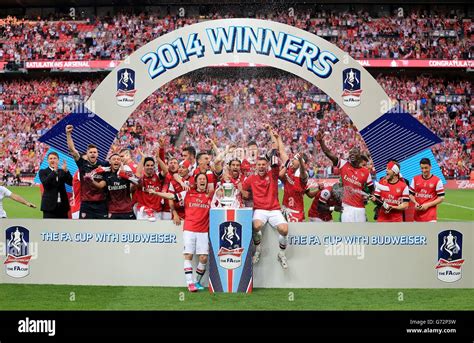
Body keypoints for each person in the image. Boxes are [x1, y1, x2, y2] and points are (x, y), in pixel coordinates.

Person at [150, 173, 214, 292]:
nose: (202, 181)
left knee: (204, 258)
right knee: (188, 255)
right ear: (196, 182)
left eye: (204, 179)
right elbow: (171, 196)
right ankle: (190, 284)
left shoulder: (210, 196)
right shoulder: (187, 193)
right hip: (189, 229)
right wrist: (156, 193)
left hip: (204, 230)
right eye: (200, 179)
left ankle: (196, 282)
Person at [241, 126, 289, 269]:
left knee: (284, 230)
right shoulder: (251, 179)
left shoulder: (273, 174)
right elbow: (243, 190)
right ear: (255, 166)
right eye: (259, 165)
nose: (261, 166)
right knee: (256, 226)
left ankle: (281, 253)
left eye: (263, 164)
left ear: (267, 165)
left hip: (274, 209)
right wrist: (245, 194)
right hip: (260, 209)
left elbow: (275, 151)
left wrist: (271, 133)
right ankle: (258, 249)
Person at [316, 132, 374, 222]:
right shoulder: (343, 164)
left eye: (354, 153)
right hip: (346, 207)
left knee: (361, 234)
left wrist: (368, 197)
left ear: (359, 156)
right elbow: (328, 153)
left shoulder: (366, 172)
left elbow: (372, 190)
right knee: (346, 234)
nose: (352, 154)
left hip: (360, 208)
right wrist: (320, 141)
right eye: (351, 153)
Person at [65, 124, 109, 219]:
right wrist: (68, 134)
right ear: (87, 154)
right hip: (86, 204)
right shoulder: (82, 164)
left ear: (98, 154)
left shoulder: (104, 164)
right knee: (85, 230)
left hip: (101, 203)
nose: (93, 154)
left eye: (95, 152)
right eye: (91, 152)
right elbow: (72, 150)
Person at [90, 153, 138, 219]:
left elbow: (139, 183)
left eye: (118, 159)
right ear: (110, 162)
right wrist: (91, 180)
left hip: (127, 210)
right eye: (114, 159)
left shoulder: (126, 172)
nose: (116, 161)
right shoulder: (107, 174)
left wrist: (127, 177)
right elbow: (100, 185)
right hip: (113, 211)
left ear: (121, 162)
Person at [134, 150, 168, 221]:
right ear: (144, 166)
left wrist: (158, 159)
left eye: (152, 165)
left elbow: (165, 171)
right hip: (143, 212)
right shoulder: (141, 178)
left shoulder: (158, 177)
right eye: (147, 165)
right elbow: (137, 174)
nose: (150, 167)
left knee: (157, 232)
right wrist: (143, 158)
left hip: (156, 212)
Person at [409, 158, 445, 222]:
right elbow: (410, 194)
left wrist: (427, 205)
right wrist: (415, 202)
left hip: (430, 217)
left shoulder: (437, 180)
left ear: (430, 167)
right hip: (417, 217)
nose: (424, 170)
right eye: (422, 168)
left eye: (426, 168)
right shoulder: (415, 179)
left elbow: (441, 198)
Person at [39, 152, 73, 218]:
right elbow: (45, 184)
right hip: (49, 207)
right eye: (50, 158)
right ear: (47, 160)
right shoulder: (43, 171)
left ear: (58, 160)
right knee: (49, 227)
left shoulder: (62, 171)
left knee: (63, 227)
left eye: (55, 158)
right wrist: (54, 172)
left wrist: (66, 171)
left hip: (63, 206)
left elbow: (71, 182)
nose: (53, 160)